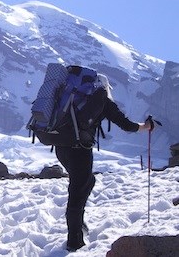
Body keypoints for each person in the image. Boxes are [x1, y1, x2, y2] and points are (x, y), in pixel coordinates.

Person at [56, 73, 154, 252]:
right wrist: (145, 126)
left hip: (60, 147)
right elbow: (126, 125)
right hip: (80, 150)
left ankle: (78, 222)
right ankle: (74, 242)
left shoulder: (71, 96)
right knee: (78, 191)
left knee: (86, 182)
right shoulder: (101, 100)